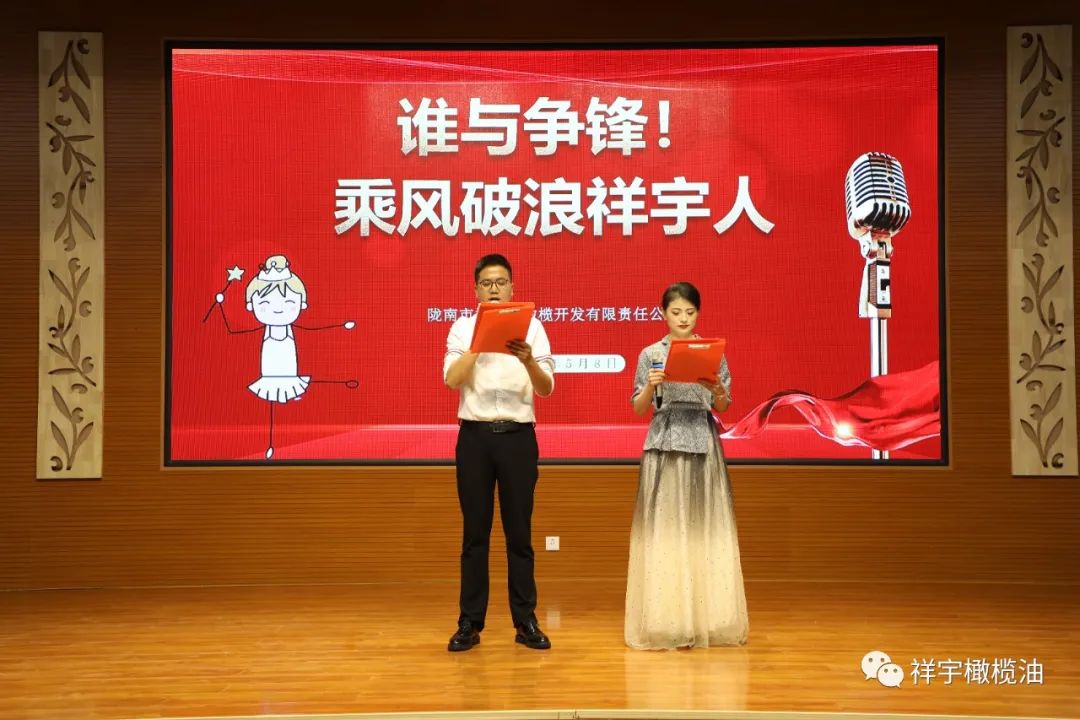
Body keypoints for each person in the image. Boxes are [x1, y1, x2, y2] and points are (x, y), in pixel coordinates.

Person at [625, 281, 749, 649]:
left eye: (690, 312)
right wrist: (651, 386)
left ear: (698, 313)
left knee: (703, 528)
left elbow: (723, 405)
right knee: (667, 529)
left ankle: (706, 619)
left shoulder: (712, 352)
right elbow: (638, 407)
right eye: (676, 312)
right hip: (664, 440)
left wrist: (718, 390)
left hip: (701, 437)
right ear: (663, 313)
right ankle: (668, 619)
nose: (683, 319)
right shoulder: (651, 353)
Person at [442, 254, 555, 652]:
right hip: (474, 439)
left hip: (518, 438)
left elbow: (546, 388)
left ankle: (525, 621)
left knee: (519, 535)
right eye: (487, 283)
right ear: (476, 289)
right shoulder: (462, 328)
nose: (494, 289)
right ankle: (469, 623)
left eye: (501, 282)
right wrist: (479, 343)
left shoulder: (533, 328)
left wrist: (528, 360)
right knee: (475, 535)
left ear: (512, 288)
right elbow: (451, 379)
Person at [207, 254, 356, 459]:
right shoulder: (261, 333)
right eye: (265, 303)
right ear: (251, 305)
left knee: (289, 384)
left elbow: (313, 329)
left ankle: (279, 430)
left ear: (302, 303)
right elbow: (233, 332)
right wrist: (220, 307)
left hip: (288, 361)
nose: (278, 308)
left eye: (289, 302)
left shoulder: (293, 331)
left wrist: (341, 326)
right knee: (271, 400)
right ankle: (270, 442)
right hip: (269, 365)